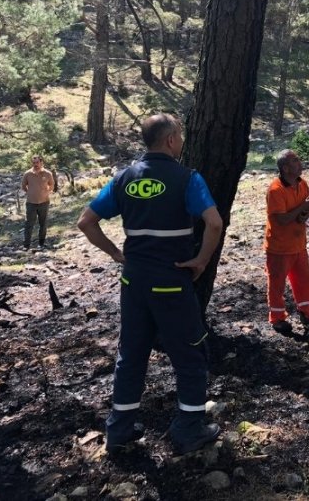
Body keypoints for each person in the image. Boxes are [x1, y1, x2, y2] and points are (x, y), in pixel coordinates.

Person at [77, 114, 223, 455]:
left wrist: (116, 253)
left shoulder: (124, 178)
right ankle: (189, 429)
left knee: (131, 354)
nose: (182, 141)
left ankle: (119, 430)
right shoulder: (187, 178)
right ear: (170, 140)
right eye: (180, 136)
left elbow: (86, 221)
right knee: (190, 354)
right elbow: (214, 223)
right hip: (171, 282)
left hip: (134, 281)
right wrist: (201, 260)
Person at [264, 150, 309, 335]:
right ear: (285, 168)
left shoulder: (302, 183)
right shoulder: (276, 190)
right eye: (295, 161)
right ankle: (277, 319)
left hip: (299, 244)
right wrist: (303, 207)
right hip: (279, 247)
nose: (300, 163)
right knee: (277, 284)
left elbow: (304, 211)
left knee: (304, 281)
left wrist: (305, 213)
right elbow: (282, 219)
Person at [21, 154, 55, 249]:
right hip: (31, 203)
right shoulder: (28, 174)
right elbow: (23, 186)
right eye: (34, 163)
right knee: (29, 224)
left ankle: (41, 243)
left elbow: (52, 185)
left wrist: (47, 192)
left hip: (44, 202)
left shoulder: (48, 173)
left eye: (37, 162)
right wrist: (30, 192)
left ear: (41, 162)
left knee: (43, 224)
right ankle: (26, 245)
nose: (35, 164)